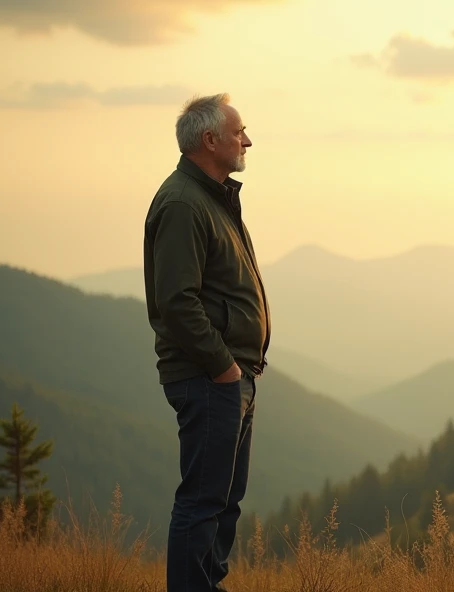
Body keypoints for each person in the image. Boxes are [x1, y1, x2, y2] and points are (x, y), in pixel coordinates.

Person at [143, 93, 271, 592]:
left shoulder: (212, 198)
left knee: (223, 502)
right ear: (209, 139)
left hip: (231, 376)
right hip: (208, 376)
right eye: (240, 131)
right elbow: (177, 302)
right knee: (202, 502)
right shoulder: (183, 203)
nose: (248, 140)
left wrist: (240, 365)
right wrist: (224, 367)